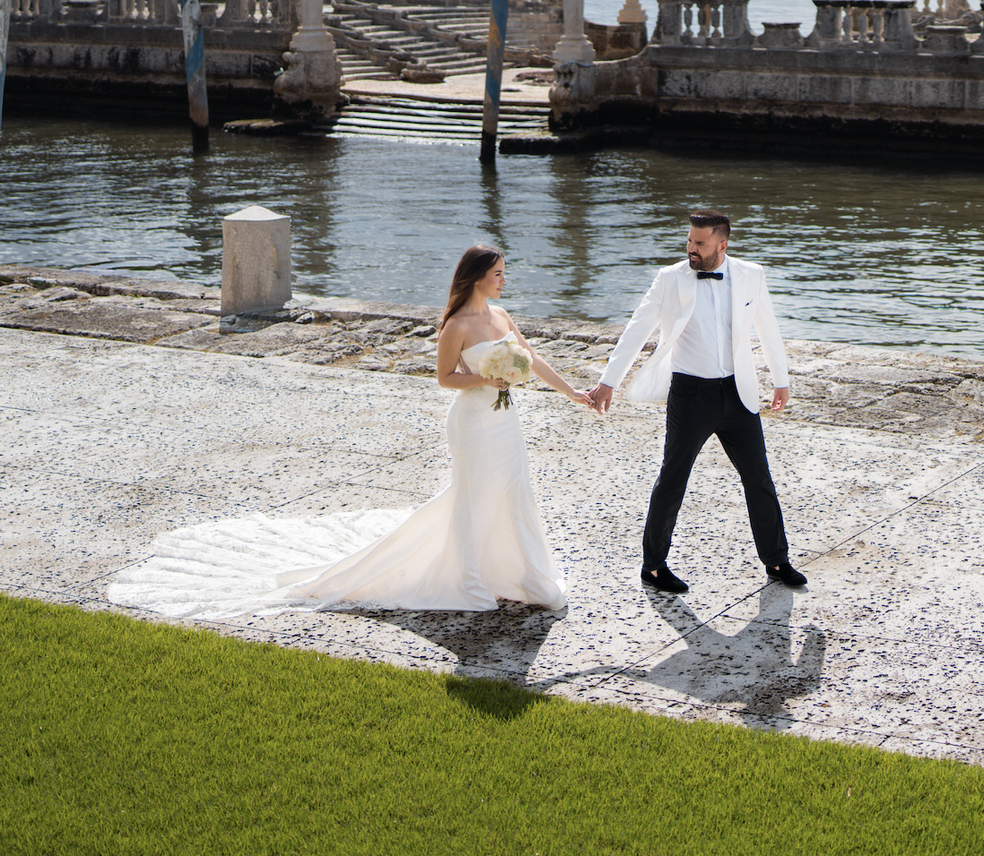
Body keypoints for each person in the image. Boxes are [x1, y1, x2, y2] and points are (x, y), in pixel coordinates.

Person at [105, 244, 591, 618]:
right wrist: (489, 377)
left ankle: (521, 572)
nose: (505, 281)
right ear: (476, 279)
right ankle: (468, 578)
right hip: (474, 424)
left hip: (506, 423)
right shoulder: (457, 326)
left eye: (505, 273)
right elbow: (445, 379)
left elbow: (534, 359)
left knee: (512, 493)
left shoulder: (502, 316)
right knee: (473, 498)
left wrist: (574, 394)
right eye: (498, 274)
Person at [588, 212, 806, 593]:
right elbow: (637, 329)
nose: (691, 248)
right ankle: (653, 566)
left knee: (759, 479)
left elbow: (767, 327)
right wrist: (608, 382)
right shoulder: (670, 279)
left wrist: (781, 380)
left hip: (738, 395)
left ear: (722, 245)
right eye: (689, 240)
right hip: (690, 396)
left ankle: (776, 560)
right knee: (673, 479)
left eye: (700, 243)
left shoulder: (751, 274)